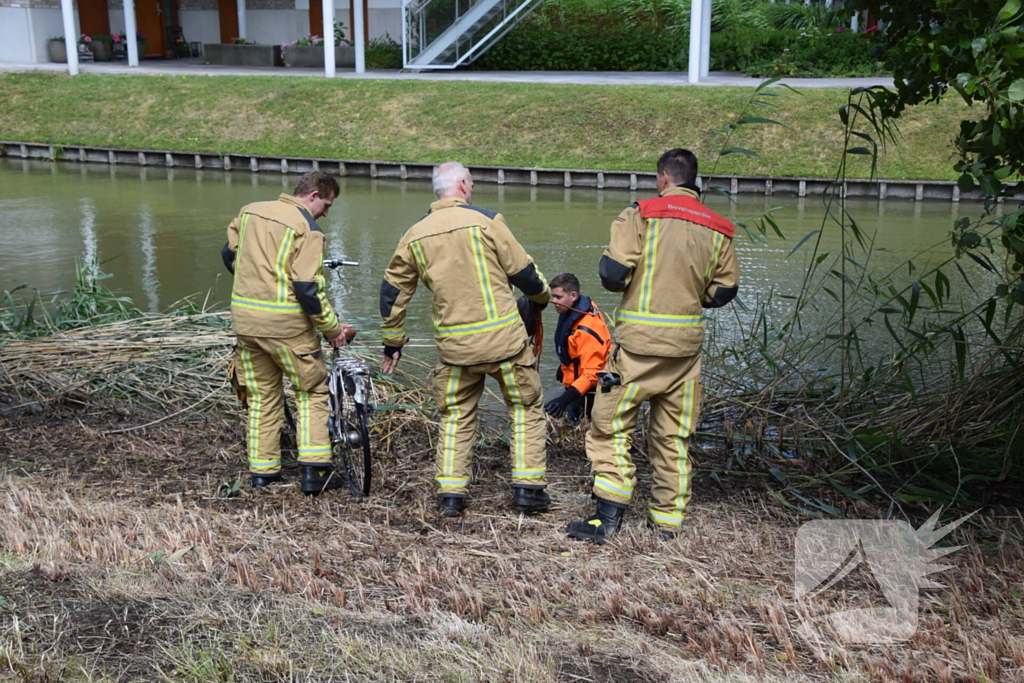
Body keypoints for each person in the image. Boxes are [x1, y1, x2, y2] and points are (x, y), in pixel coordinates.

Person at [566, 148, 739, 544]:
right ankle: (667, 523)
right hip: (685, 352)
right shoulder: (720, 227)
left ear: (664, 178)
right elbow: (723, 292)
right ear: (692, 180)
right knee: (673, 437)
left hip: (638, 348)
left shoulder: (641, 213)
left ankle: (608, 519)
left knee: (610, 428)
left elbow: (612, 274)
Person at [379, 161, 552, 517]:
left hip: (455, 349)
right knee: (524, 409)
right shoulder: (487, 221)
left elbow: (393, 292)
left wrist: (393, 341)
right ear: (461, 184)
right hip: (504, 342)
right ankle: (527, 491)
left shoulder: (415, 233)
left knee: (456, 416)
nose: (472, 188)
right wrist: (542, 299)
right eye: (470, 183)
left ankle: (452, 495)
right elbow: (526, 274)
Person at [221, 171, 355, 494]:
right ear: (312, 195)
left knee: (262, 397)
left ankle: (263, 474)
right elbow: (308, 289)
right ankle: (315, 472)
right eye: (326, 204)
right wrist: (333, 329)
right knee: (311, 391)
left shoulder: (249, 211)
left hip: (246, 325)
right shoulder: (307, 228)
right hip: (287, 328)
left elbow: (229, 256)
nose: (326, 212)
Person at [544, 273, 611, 423]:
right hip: (578, 381)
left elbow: (593, 373)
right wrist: (565, 364)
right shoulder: (578, 308)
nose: (553, 302)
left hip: (590, 390)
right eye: (552, 296)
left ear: (573, 295)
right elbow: (576, 348)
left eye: (558, 297)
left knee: (582, 422)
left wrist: (563, 400)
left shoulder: (585, 330)